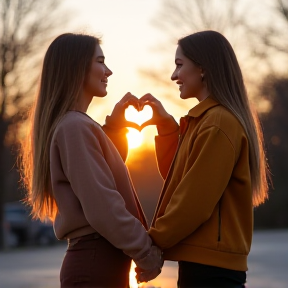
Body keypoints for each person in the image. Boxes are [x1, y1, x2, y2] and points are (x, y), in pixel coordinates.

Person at [20, 33, 163, 288]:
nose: (108, 71)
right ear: (76, 67)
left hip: (97, 263)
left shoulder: (74, 124)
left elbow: (99, 174)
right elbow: (102, 202)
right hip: (96, 264)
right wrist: (145, 251)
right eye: (100, 61)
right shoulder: (74, 126)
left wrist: (115, 130)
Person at [136, 30, 270, 287]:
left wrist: (151, 243)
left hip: (212, 272)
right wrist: (167, 130)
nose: (174, 76)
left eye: (179, 65)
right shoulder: (207, 121)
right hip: (204, 265)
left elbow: (193, 201)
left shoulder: (218, 123)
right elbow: (181, 181)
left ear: (203, 68)